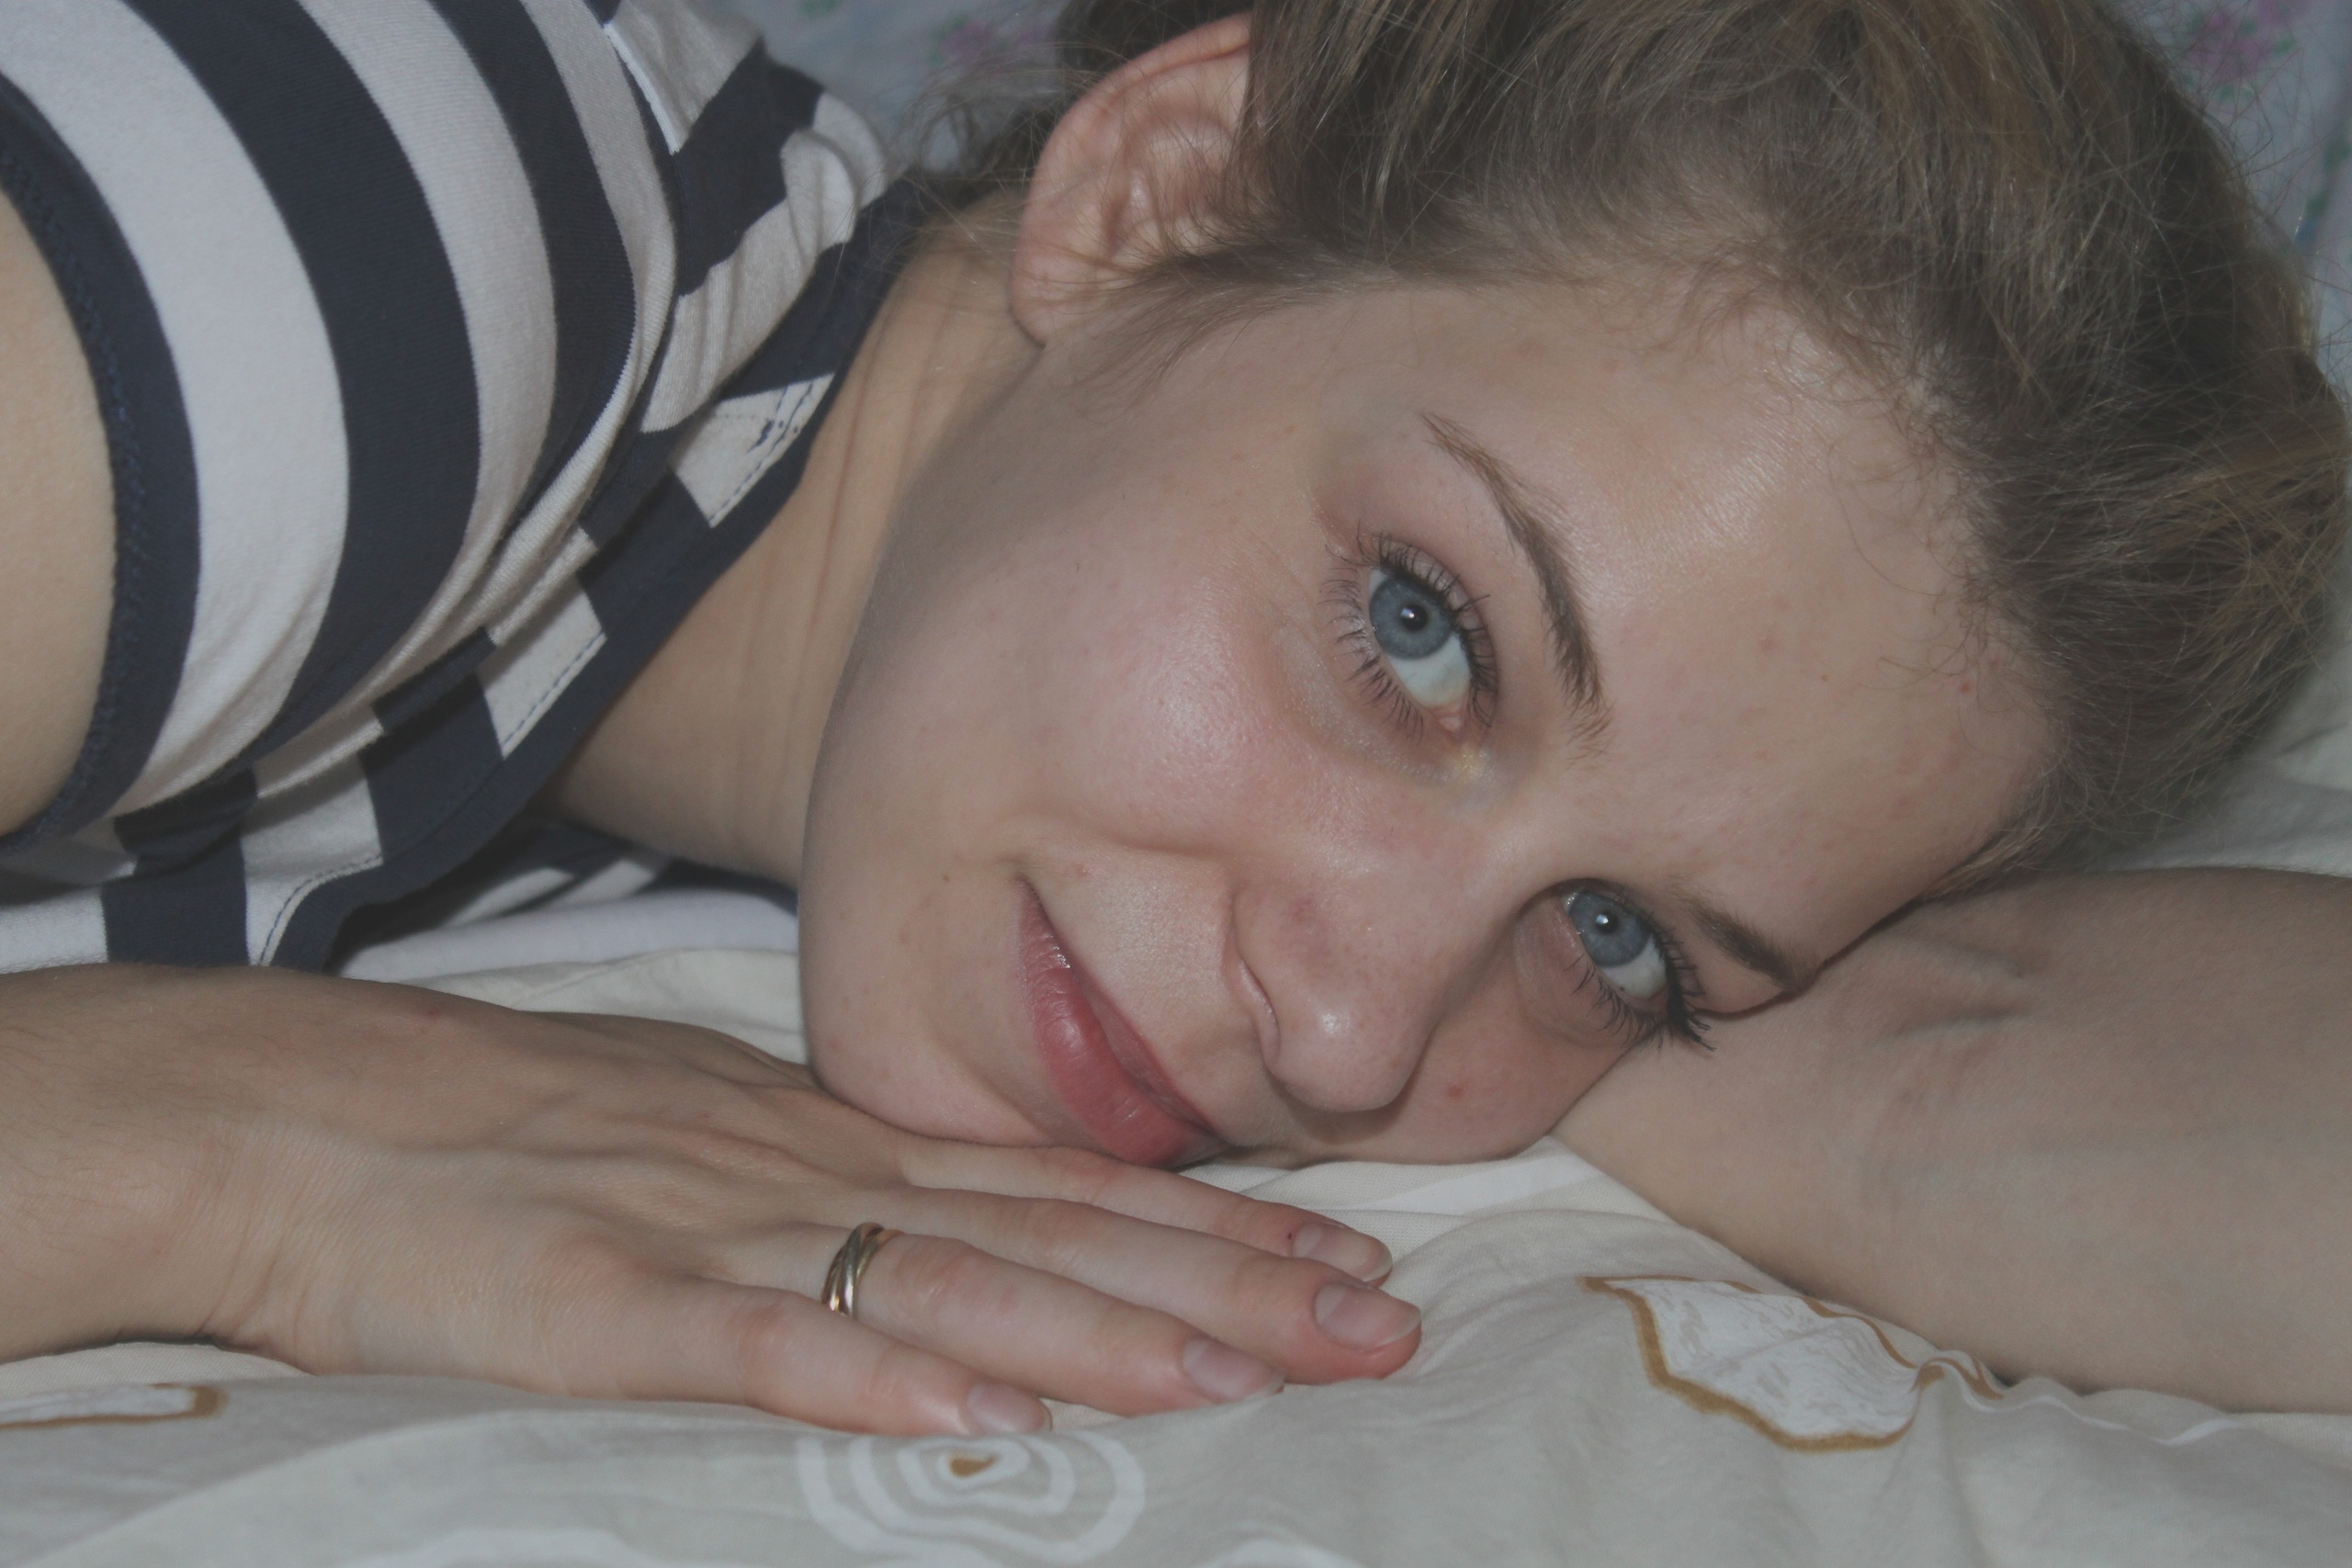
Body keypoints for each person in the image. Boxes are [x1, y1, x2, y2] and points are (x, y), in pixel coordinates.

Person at [0, 0, 2342, 1437]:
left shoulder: (890, 712)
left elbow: (1956, 1073)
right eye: (1418, 628)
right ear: (1155, 196)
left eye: (1614, 933)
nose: (1343, 1027)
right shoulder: (327, 285)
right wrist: (226, 1146)